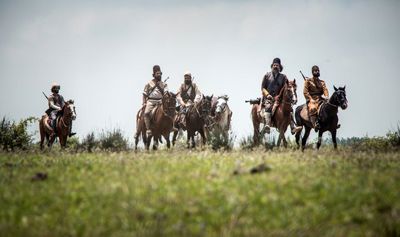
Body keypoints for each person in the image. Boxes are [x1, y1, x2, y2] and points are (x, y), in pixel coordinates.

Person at [261, 58, 302, 134]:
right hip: (268, 98)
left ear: (280, 67)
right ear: (272, 66)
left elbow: (287, 87)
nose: (275, 66)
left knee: (290, 109)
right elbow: (263, 88)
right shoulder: (267, 75)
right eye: (274, 65)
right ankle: (267, 125)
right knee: (268, 107)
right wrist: (267, 95)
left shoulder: (283, 77)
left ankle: (293, 127)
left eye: (277, 65)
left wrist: (292, 85)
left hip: (279, 98)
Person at [142, 65, 169, 136]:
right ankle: (148, 129)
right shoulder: (149, 84)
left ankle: (171, 126)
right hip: (151, 101)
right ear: (154, 75)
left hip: (160, 101)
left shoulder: (164, 84)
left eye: (160, 73)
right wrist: (144, 103)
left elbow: (166, 93)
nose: (159, 75)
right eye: (157, 73)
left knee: (170, 110)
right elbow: (144, 94)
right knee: (146, 113)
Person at [303, 65, 329, 132]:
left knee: (329, 106)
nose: (317, 72)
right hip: (312, 99)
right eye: (315, 71)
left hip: (320, 98)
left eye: (318, 71)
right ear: (312, 72)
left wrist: (326, 96)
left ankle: (332, 124)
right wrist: (310, 98)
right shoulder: (308, 81)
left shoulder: (322, 82)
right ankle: (315, 125)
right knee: (312, 108)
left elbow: (325, 90)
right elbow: (305, 92)